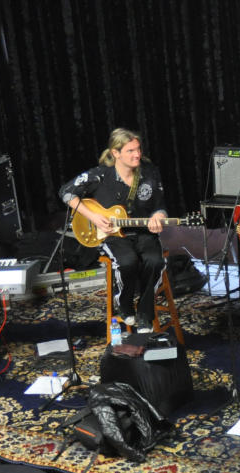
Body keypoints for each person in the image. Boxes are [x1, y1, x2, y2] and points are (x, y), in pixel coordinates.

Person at [59, 128, 167, 333]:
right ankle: (124, 303)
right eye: (130, 150)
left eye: (138, 149)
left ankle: (146, 313)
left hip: (143, 233)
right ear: (116, 153)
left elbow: (160, 206)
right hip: (112, 235)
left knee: (155, 261)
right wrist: (93, 217)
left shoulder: (150, 172)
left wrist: (158, 216)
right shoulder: (100, 175)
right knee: (127, 262)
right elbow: (66, 192)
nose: (137, 154)